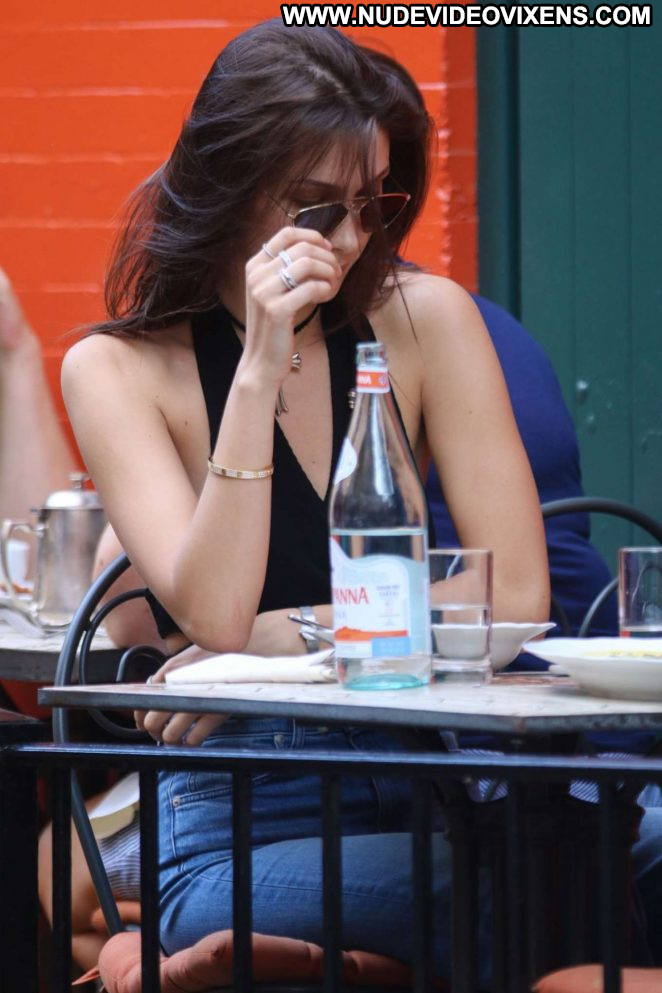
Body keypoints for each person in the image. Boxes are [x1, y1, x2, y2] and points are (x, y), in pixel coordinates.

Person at [59, 20, 549, 979]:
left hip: (432, 772)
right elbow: (214, 612)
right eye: (319, 208)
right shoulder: (117, 370)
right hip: (237, 815)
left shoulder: (422, 318)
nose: (352, 239)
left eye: (374, 203)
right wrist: (257, 367)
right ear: (231, 188)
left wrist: (278, 644)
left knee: (603, 852)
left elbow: (517, 595)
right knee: (527, 880)